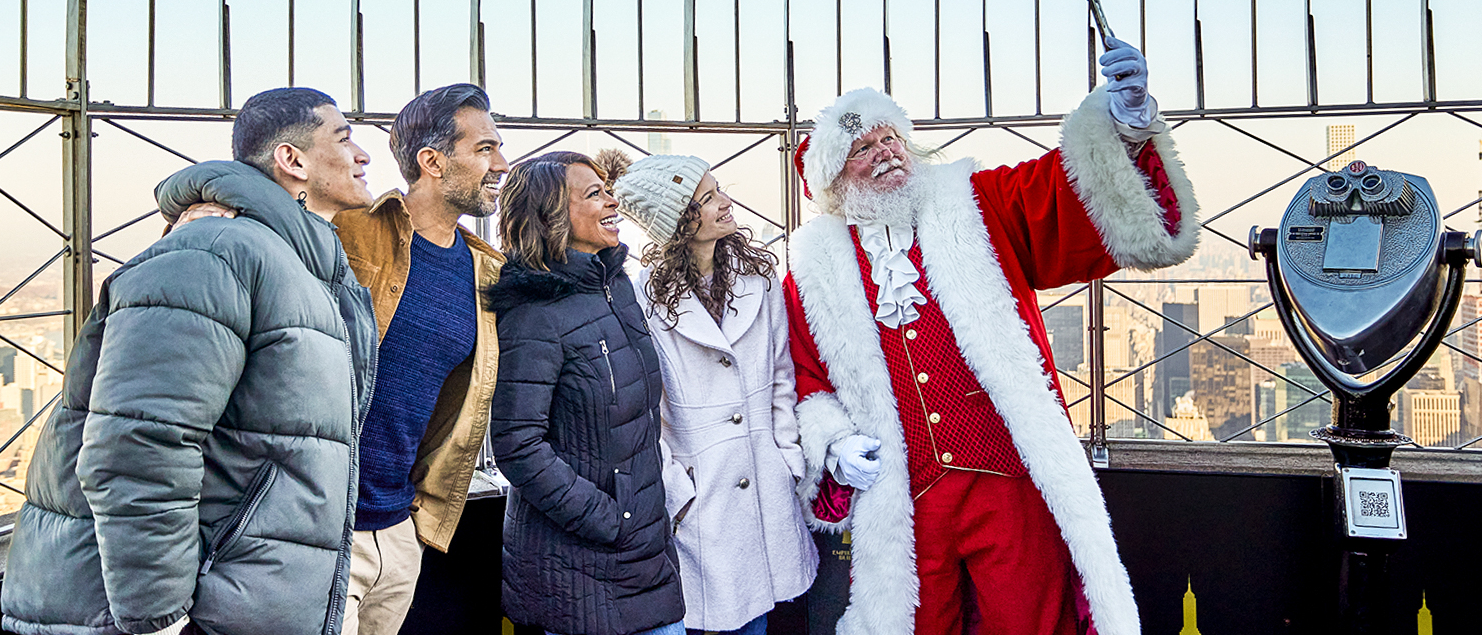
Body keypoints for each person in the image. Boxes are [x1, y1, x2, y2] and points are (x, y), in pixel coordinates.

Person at [785, 39, 1200, 635]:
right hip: (908, 498)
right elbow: (806, 376)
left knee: (1031, 620)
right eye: (861, 149)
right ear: (834, 180)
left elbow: (1060, 193)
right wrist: (833, 442)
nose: (885, 154)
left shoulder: (974, 201)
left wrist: (1122, 122)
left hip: (1008, 477)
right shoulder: (814, 269)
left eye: (889, 138)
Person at [1, 87, 379, 635]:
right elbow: (137, 444)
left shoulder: (303, 266)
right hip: (173, 613)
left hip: (238, 598)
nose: (363, 156)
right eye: (344, 139)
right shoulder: (214, 251)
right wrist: (159, 619)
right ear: (291, 160)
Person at [171, 84, 511, 635]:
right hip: (315, 529)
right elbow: (257, 245)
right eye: (485, 149)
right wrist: (209, 212)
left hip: (399, 530)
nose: (502, 164)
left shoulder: (485, 272)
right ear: (432, 161)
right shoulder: (345, 229)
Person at [609, 151, 818, 635]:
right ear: (680, 221)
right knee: (713, 617)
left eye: (719, 188)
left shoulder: (760, 280)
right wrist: (678, 492)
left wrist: (787, 455)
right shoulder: (641, 299)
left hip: (766, 480)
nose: (726, 202)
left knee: (757, 621)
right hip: (701, 497)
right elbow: (642, 412)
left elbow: (782, 373)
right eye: (708, 197)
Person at [484, 151, 685, 635]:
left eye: (606, 188)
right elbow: (517, 445)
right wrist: (610, 519)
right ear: (552, 215)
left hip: (644, 555)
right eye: (593, 193)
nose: (612, 200)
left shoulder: (615, 288)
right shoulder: (533, 313)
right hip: (579, 570)